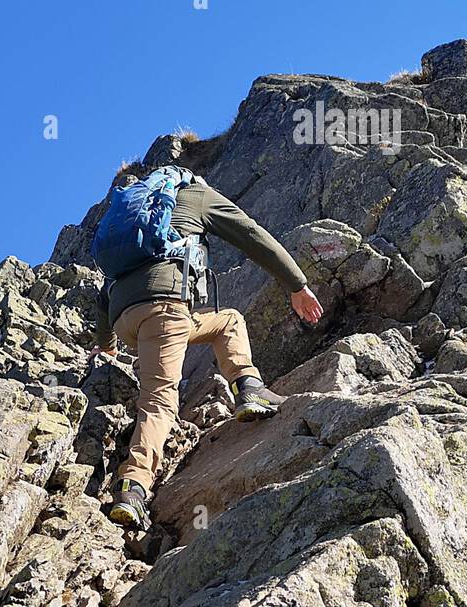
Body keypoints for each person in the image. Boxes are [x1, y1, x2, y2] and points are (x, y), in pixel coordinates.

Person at [90, 172, 323, 529]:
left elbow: (105, 288)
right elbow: (250, 234)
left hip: (126, 317)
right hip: (164, 308)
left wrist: (106, 346)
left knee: (229, 321)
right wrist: (297, 284)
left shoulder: (137, 217)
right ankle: (132, 486)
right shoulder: (195, 194)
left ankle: (249, 387)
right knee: (160, 402)